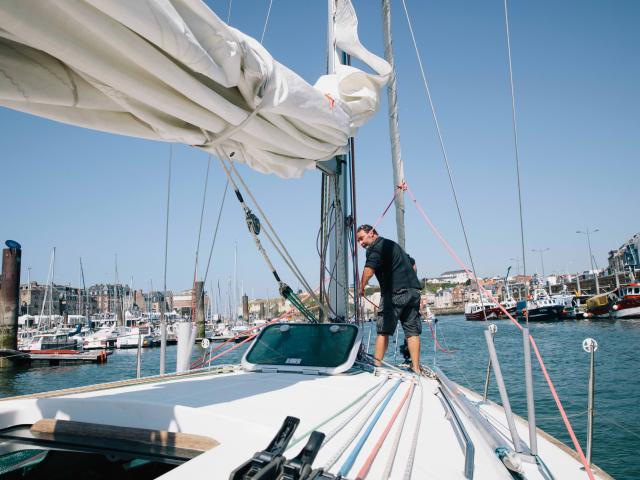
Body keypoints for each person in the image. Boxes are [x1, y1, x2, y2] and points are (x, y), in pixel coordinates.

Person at [356, 224, 422, 373]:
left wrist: (361, 287)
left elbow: (369, 270)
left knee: (383, 331)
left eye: (361, 239)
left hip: (394, 293)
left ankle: (376, 366)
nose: (361, 244)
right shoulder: (393, 245)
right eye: (358, 241)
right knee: (412, 331)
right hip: (413, 291)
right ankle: (416, 368)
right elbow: (413, 264)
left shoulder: (376, 247)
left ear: (371, 233)